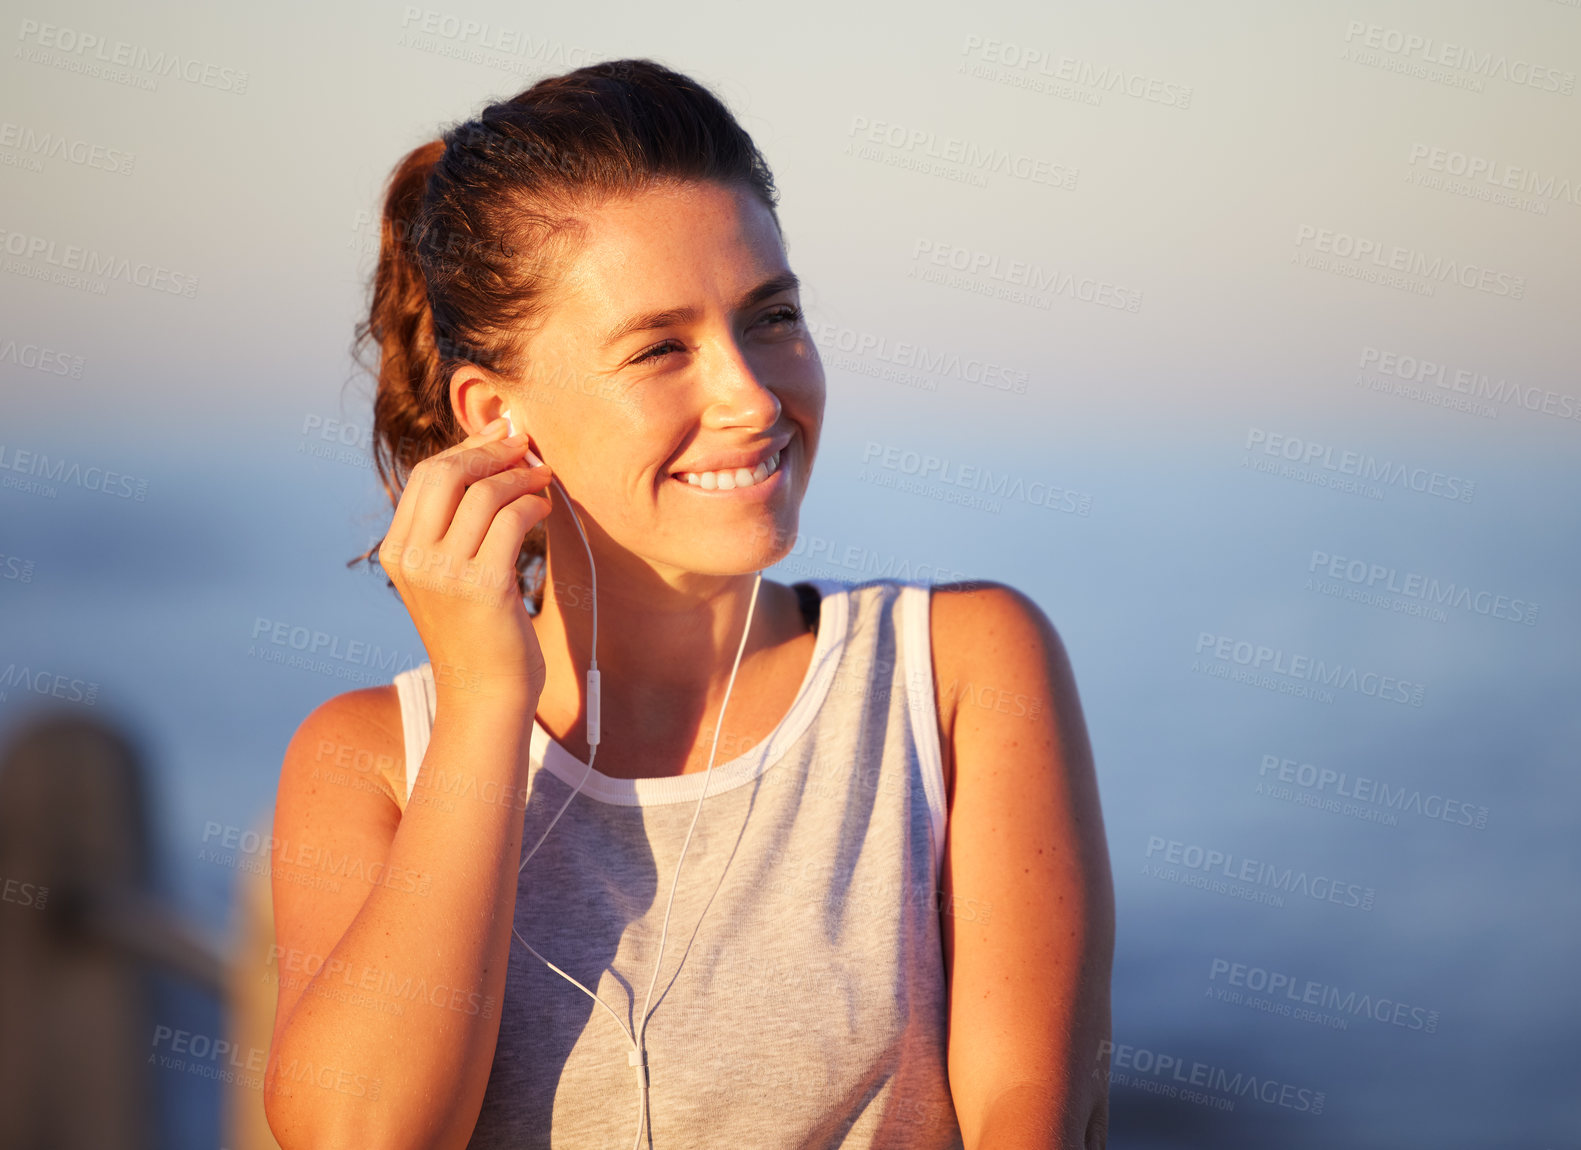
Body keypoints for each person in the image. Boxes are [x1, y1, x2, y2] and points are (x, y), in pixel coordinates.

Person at [264, 58, 1113, 1150]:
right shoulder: (369, 761)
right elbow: (359, 1137)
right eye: (661, 347)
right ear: (495, 418)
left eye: (771, 317)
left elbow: (1033, 1118)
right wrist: (485, 702)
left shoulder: (956, 670)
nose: (754, 396)